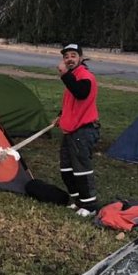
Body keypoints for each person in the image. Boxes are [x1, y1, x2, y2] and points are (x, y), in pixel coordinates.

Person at [55, 43, 101, 217]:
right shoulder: (73, 76)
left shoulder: (84, 76)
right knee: (66, 169)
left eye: (73, 55)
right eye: (66, 57)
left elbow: (81, 93)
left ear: (80, 58)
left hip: (83, 130)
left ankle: (90, 206)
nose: (69, 59)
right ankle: (78, 201)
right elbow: (73, 101)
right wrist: (61, 115)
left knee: (81, 168)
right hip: (70, 131)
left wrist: (65, 74)